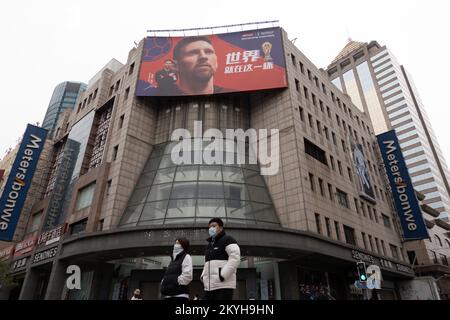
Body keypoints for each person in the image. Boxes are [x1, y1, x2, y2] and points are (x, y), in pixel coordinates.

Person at [201, 217, 240, 300]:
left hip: (224, 286)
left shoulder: (228, 239)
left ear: (221, 228)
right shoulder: (209, 245)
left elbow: (235, 258)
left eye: (214, 226)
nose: (211, 228)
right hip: (209, 286)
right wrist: (203, 276)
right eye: (210, 227)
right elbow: (207, 264)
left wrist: (223, 275)